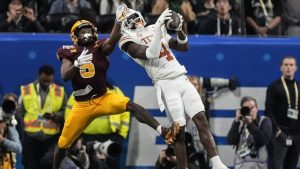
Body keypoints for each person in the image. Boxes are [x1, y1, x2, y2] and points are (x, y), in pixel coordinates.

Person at [53, 4, 180, 169]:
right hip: (82, 105)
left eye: (88, 30)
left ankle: (164, 131)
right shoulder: (68, 51)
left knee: (132, 106)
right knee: (62, 144)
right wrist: (76, 64)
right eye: (82, 31)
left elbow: (112, 41)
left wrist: (118, 22)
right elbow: (64, 75)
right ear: (74, 36)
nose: (86, 33)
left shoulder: (99, 46)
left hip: (103, 97)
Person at [118, 7, 228, 169]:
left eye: (134, 16)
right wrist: (158, 26)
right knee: (179, 133)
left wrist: (179, 30)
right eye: (129, 19)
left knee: (201, 121)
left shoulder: (153, 28)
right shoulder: (126, 41)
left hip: (182, 78)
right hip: (165, 84)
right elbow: (152, 53)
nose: (134, 20)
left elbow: (183, 46)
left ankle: (217, 163)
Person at [64, 80, 131, 169]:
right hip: (86, 138)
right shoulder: (79, 92)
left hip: (110, 138)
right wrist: (75, 137)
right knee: (86, 165)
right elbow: (69, 114)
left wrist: (121, 136)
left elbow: (125, 113)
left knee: (111, 166)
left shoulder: (115, 91)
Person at [20, 64, 67, 169]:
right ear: (38, 76)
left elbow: (65, 111)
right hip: (30, 137)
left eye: (48, 81)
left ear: (53, 78)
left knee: (49, 165)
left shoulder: (60, 91)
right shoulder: (27, 90)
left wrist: (55, 116)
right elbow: (20, 112)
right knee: (30, 165)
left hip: (51, 138)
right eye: (44, 80)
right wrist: (22, 131)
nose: (46, 83)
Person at [265, 56, 300, 169]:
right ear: (281, 68)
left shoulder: (299, 86)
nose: (288, 67)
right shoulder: (274, 87)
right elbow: (268, 112)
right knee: (276, 166)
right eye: (286, 65)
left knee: (292, 166)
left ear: (296, 68)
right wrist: (278, 131)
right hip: (280, 135)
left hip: (297, 135)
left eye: (291, 65)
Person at [227, 96, 272, 169]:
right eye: (246, 109)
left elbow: (264, 139)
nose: (250, 111)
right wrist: (236, 121)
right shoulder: (239, 123)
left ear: (257, 109)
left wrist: (250, 125)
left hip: (259, 165)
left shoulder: (265, 121)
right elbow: (230, 141)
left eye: (252, 108)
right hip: (241, 165)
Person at [0, 93, 22, 169]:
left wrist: (3, 141)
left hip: (7, 161)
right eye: (7, 103)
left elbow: (18, 148)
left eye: (12, 104)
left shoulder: (12, 124)